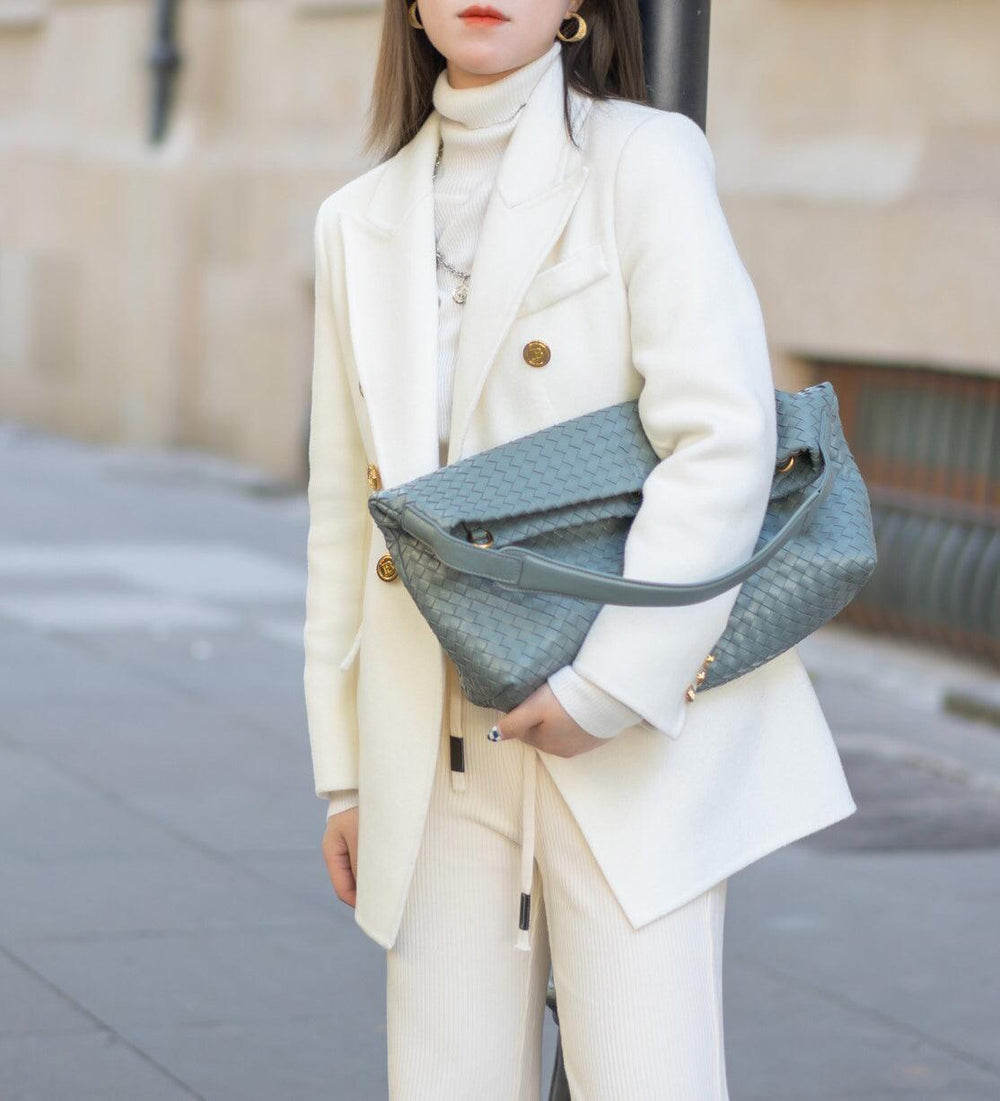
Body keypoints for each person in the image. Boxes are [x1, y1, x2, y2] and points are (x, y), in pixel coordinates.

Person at [304, 2, 858, 1097]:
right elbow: (340, 511)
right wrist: (345, 775)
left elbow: (723, 434)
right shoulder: (356, 218)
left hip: (625, 719)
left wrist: (608, 688)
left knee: (648, 1075)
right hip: (431, 737)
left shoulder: (642, 158)